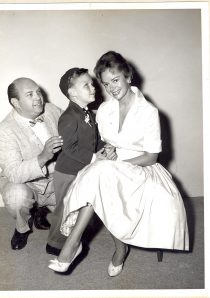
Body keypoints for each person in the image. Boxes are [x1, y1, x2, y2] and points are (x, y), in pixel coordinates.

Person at [48, 51, 189, 276]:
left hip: (142, 168)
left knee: (101, 173)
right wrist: (108, 151)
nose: (112, 88)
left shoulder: (148, 111)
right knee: (100, 174)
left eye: (115, 80)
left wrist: (116, 164)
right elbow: (105, 142)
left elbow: (151, 157)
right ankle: (97, 246)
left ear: (128, 76)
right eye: (106, 84)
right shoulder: (105, 109)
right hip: (111, 167)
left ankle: (77, 245)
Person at [46, 68, 116, 256]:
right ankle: (54, 243)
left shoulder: (88, 114)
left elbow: (94, 139)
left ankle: (73, 237)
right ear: (72, 92)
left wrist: (105, 146)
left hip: (81, 170)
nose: (93, 87)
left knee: (77, 207)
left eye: (92, 84)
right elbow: (69, 148)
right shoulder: (69, 117)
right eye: (86, 85)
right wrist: (94, 157)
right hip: (67, 172)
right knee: (63, 210)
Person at [0, 77, 63, 250]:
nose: (38, 97)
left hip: (56, 182)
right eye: (30, 94)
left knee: (82, 216)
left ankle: (41, 210)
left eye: (38, 92)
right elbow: (14, 173)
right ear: (16, 102)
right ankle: (22, 228)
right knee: (16, 198)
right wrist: (43, 157)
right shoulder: (3, 131)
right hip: (27, 185)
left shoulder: (52, 110)